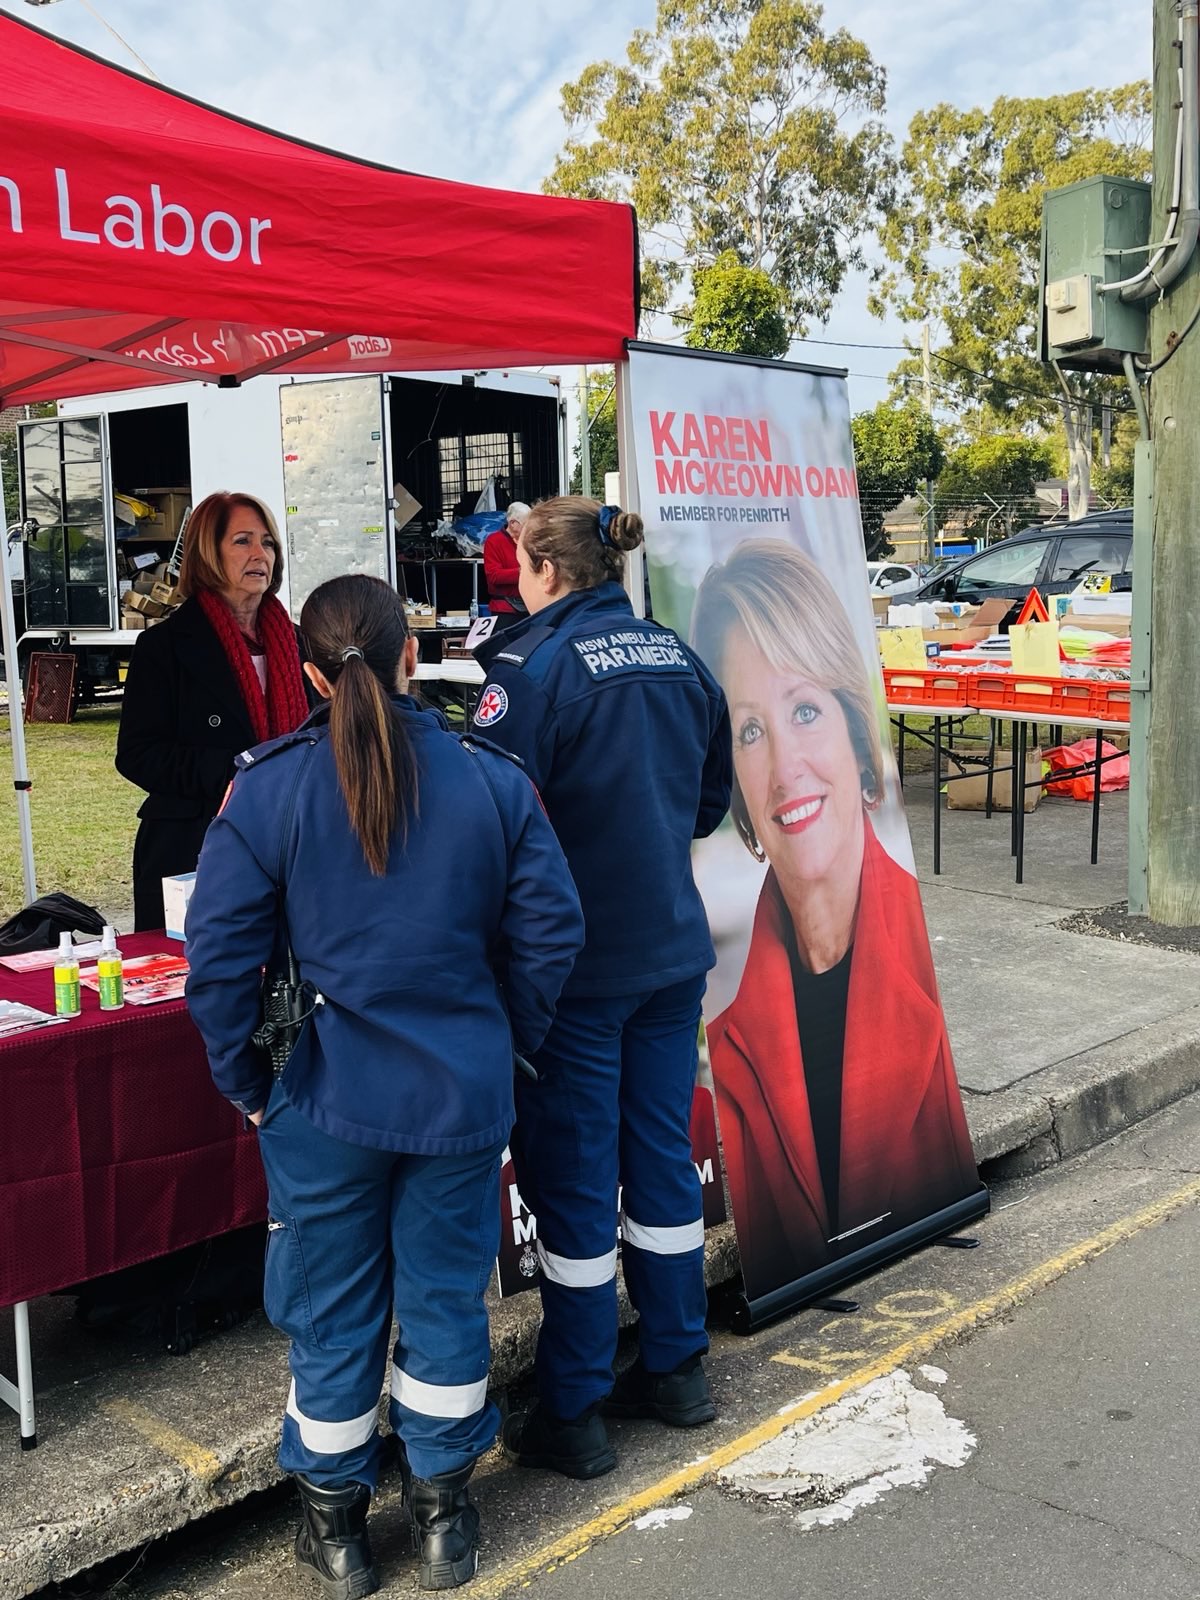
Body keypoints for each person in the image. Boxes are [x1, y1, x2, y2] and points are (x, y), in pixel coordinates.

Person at [185, 575, 584, 1595]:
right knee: (446, 1300)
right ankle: (446, 1518)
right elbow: (551, 931)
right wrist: (510, 1043)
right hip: (459, 1094)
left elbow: (220, 965)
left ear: (311, 674)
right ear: (414, 655)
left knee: (330, 1313)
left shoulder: (265, 789)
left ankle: (340, 1531)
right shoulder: (491, 780)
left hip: (320, 1101)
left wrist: (249, 1085)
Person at [473, 496, 732, 1480]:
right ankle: (678, 1369)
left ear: (545, 569)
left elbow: (489, 822)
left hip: (575, 974)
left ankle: (575, 1406)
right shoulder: (674, 652)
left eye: (519, 565)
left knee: (576, 1186)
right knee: (662, 1161)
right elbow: (712, 795)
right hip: (668, 954)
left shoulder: (531, 671)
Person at [690, 539, 979, 1304]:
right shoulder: (724, 1028)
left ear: (856, 737)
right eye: (749, 731)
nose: (784, 766)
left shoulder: (915, 959)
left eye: (806, 710)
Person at [115, 491, 310, 931]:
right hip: (193, 846)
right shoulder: (164, 647)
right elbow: (137, 754)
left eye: (268, 543)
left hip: (290, 842)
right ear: (207, 553)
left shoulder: (302, 643)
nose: (260, 554)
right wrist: (241, 771)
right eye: (242, 541)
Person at [481, 501, 529, 629]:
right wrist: (523, 572)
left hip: (530, 605)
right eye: (526, 525)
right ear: (512, 523)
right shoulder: (494, 541)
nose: (529, 529)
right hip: (505, 609)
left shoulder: (529, 541)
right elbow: (494, 576)